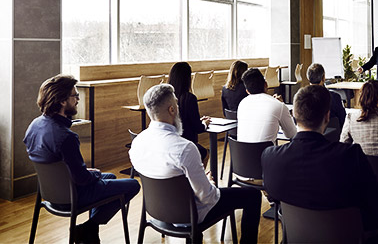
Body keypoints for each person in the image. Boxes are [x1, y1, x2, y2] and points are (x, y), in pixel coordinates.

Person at [129, 84, 261, 244]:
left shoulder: (137, 143)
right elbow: (208, 198)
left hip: (156, 212)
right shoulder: (184, 148)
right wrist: (210, 184)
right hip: (189, 216)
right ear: (172, 110)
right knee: (253, 195)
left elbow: (163, 176)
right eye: (176, 104)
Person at [262, 85, 378, 243]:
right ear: (327, 116)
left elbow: (274, 196)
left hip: (297, 237)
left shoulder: (270, 157)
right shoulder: (351, 156)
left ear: (294, 115)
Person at [24, 75, 140, 244]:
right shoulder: (66, 137)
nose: (78, 99)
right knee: (133, 185)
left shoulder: (34, 125)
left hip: (48, 194)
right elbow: (82, 179)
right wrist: (94, 173)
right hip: (71, 197)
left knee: (111, 177)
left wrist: (88, 174)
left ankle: (89, 232)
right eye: (75, 95)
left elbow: (61, 167)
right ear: (63, 101)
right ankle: (89, 227)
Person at [237, 68, 297, 143]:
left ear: (247, 91)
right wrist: (282, 104)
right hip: (265, 153)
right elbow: (292, 134)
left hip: (240, 153)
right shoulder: (278, 105)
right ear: (266, 84)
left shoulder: (242, 103)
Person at [168, 62, 210, 167]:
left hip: (170, 144)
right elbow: (198, 128)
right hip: (186, 145)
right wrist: (204, 123)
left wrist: (198, 120)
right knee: (205, 153)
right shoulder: (189, 98)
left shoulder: (166, 97)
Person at [307, 63, 346, 127]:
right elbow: (343, 121)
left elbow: (297, 122)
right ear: (323, 78)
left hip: (309, 136)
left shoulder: (301, 98)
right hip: (332, 136)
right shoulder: (334, 97)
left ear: (308, 78)